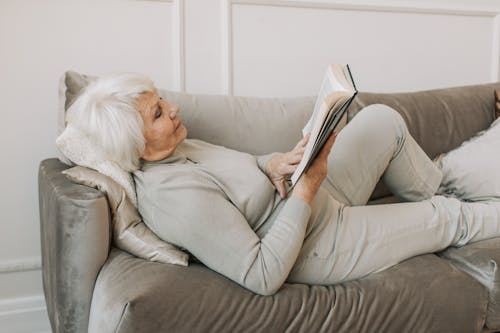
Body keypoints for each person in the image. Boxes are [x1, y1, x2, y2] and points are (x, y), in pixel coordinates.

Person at [67, 72, 500, 296]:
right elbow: (261, 273)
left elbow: (235, 174)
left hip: (314, 201)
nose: (175, 109)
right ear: (136, 144)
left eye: (162, 101)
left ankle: (448, 193)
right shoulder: (173, 198)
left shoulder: (181, 147)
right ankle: (458, 213)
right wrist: (308, 187)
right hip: (317, 245)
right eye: (158, 114)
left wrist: (271, 163)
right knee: (447, 218)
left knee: (382, 120)